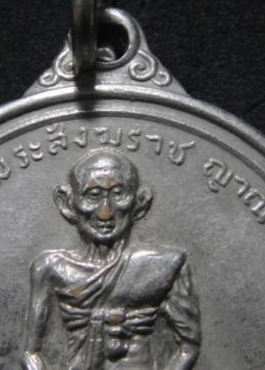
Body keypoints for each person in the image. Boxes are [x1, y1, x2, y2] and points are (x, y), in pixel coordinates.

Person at [21, 149, 201, 370]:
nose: (105, 213)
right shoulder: (49, 268)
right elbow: (31, 353)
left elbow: (189, 347)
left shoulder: (164, 266)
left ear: (140, 202)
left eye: (117, 194)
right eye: (93, 195)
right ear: (67, 203)